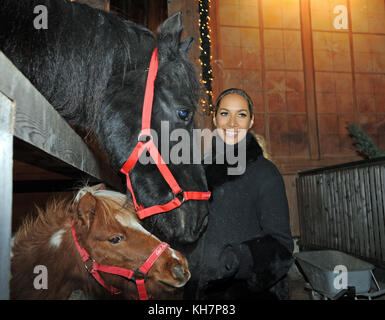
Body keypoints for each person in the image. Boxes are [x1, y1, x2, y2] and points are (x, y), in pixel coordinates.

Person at [184, 88, 294, 300]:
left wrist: (236, 260)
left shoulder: (265, 173)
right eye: (225, 113)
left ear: (251, 121)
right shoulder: (197, 170)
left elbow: (282, 247)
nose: (232, 123)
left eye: (241, 115)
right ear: (215, 119)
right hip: (198, 291)